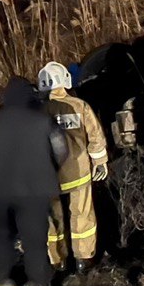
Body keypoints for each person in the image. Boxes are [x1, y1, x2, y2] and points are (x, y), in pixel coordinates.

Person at [0, 76, 67, 286]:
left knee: (0, 234)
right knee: (34, 237)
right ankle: (39, 284)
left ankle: (4, 279)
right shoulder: (43, 121)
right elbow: (61, 150)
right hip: (34, 188)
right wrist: (49, 169)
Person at [38, 61, 108, 270]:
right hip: (78, 170)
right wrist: (100, 163)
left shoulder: (38, 111)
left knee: (53, 218)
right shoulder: (80, 106)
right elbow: (95, 137)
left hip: (48, 173)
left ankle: (57, 260)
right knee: (82, 214)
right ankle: (83, 259)